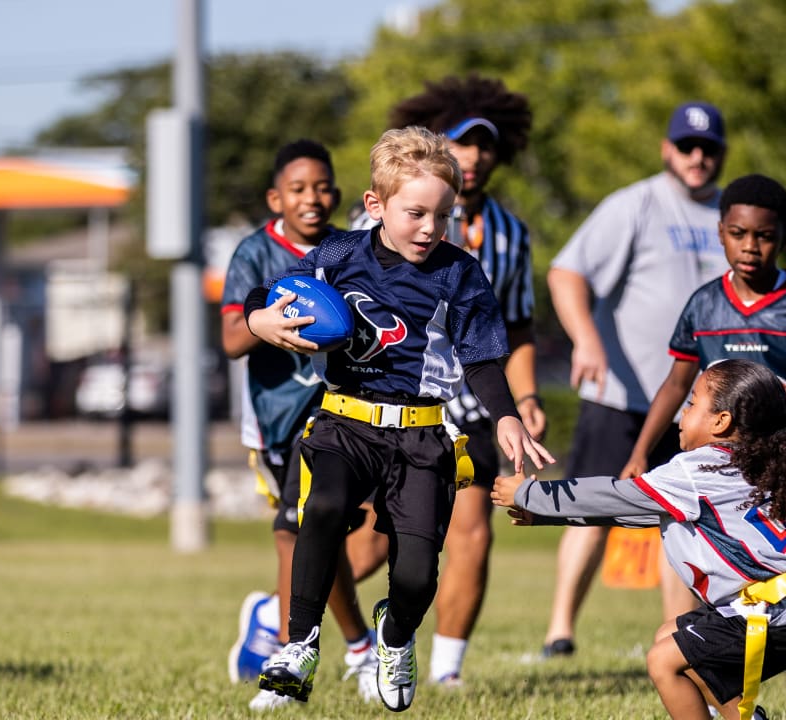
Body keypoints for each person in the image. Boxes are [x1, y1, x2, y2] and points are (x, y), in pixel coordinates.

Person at [244, 126, 553, 712]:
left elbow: (484, 355)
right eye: (415, 213)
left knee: (414, 572)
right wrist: (262, 322)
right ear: (375, 205)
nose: (430, 229)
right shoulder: (340, 256)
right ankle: (299, 643)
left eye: (443, 215)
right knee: (326, 509)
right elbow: (266, 291)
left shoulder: (460, 273)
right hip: (344, 421)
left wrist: (507, 416)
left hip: (421, 435)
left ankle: (395, 634)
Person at [618, 174, 786, 719]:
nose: (751, 246)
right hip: (725, 475)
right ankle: (736, 706)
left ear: (782, 236)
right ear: (720, 233)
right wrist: (640, 451)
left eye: (764, 235)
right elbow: (677, 383)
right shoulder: (703, 305)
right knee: (723, 591)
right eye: (738, 233)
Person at [493, 359, 786, 720]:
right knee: (670, 637)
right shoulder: (746, 463)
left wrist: (531, 495)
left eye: (692, 403)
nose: (683, 411)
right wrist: (545, 515)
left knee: (664, 662)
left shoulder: (695, 471)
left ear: (721, 422)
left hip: (780, 610)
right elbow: (633, 514)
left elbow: (616, 495)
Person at [342, 74, 544, 687]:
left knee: (473, 531)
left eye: (485, 146)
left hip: (473, 406)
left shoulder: (511, 235)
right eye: (463, 143)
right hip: (391, 402)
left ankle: (447, 671)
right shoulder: (372, 219)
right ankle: (281, 616)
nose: (475, 156)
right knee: (376, 543)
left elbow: (518, 327)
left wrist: (524, 398)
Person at [541, 101, 733, 657]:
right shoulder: (636, 204)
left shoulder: (730, 214)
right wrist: (586, 339)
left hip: (696, 407)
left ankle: (678, 636)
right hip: (621, 393)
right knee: (593, 508)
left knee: (685, 519)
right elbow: (565, 272)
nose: (698, 157)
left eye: (709, 148)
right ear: (667, 149)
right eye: (687, 146)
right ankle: (559, 630)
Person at [220, 139, 378, 711]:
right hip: (278, 423)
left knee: (377, 532)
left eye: (321, 187)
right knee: (303, 531)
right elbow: (232, 337)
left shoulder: (351, 249)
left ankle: (293, 625)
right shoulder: (255, 254)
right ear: (275, 197)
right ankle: (329, 652)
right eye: (297, 188)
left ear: (337, 192)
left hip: (344, 414)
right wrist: (263, 320)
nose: (312, 198)